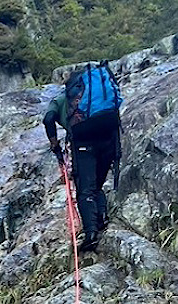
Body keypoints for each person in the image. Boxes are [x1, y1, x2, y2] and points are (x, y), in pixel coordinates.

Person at [44, 74, 120, 252]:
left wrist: (54, 144)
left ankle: (91, 234)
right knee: (97, 183)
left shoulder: (60, 100)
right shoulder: (98, 96)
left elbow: (48, 120)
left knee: (84, 188)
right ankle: (102, 217)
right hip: (108, 140)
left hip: (83, 143)